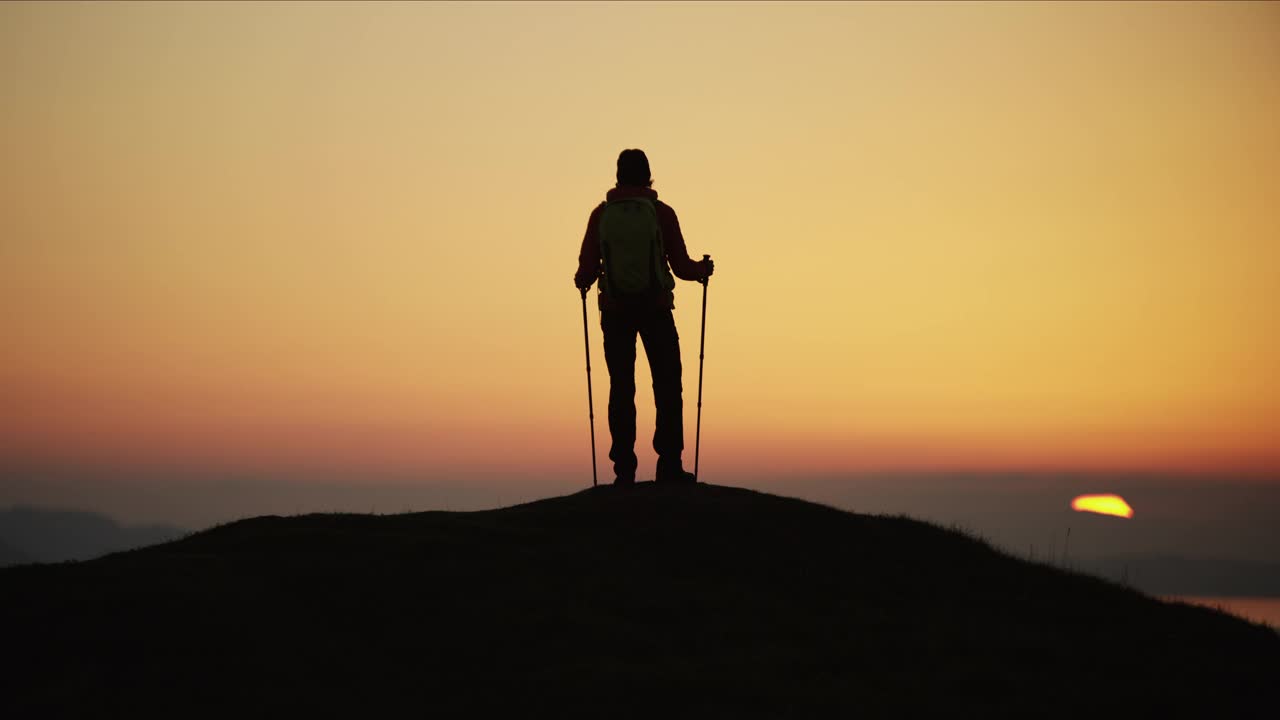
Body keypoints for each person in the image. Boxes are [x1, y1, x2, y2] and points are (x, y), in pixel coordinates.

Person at [574, 149, 714, 485]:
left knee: (621, 388)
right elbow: (681, 267)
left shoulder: (601, 215)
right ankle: (669, 464)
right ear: (648, 175)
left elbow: (586, 270)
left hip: (615, 312)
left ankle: (624, 469)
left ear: (618, 176)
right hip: (656, 310)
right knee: (667, 385)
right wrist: (702, 271)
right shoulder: (661, 213)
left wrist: (583, 282)